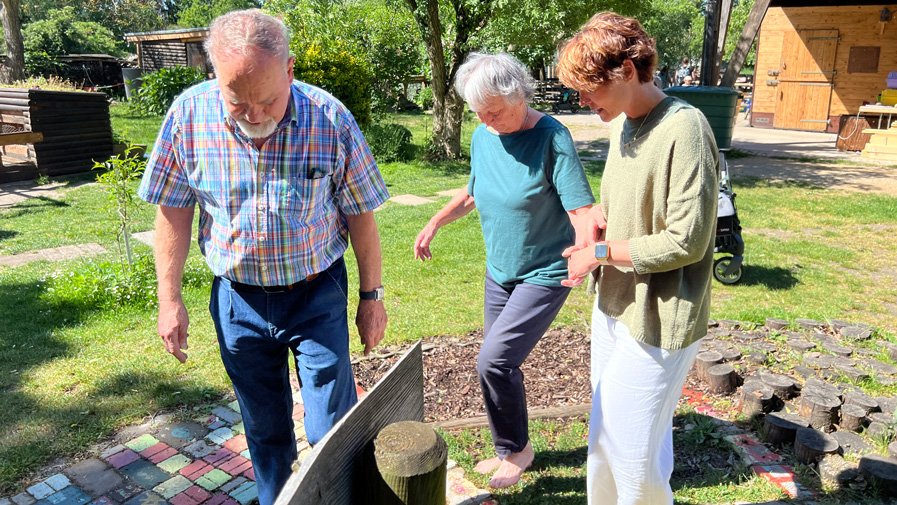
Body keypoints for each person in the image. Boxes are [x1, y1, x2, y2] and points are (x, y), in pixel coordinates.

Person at [137, 9, 389, 504]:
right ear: (215, 78)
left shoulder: (329, 118)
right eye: (238, 101)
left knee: (330, 428)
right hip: (237, 303)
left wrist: (370, 296)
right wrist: (169, 299)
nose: (255, 115)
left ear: (290, 69)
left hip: (317, 295)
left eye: (268, 100)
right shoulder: (187, 117)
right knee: (265, 429)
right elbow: (172, 215)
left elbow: (361, 214)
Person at [556, 12, 718, 505]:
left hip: (660, 315)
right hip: (614, 306)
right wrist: (596, 221)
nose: (582, 100)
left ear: (627, 71)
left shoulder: (684, 128)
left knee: (634, 461)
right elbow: (625, 201)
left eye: (590, 89)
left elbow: (686, 239)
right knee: (606, 442)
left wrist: (600, 252)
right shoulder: (622, 125)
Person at [413, 52, 594, 489]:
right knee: (497, 365)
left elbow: (581, 208)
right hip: (501, 271)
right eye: (480, 112)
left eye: (494, 110)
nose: (487, 120)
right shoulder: (484, 135)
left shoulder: (552, 138)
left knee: (493, 360)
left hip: (547, 271)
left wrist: (591, 252)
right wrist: (436, 220)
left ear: (520, 96)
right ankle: (512, 448)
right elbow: (475, 192)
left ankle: (516, 450)